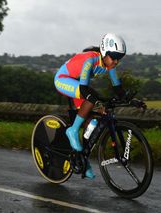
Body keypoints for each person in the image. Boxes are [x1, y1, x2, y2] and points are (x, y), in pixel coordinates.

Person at [54, 33, 129, 179]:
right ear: (104, 52)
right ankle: (72, 131)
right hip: (64, 80)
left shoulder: (109, 65)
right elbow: (84, 89)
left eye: (118, 58)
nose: (115, 62)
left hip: (78, 84)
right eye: (113, 57)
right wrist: (97, 102)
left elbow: (117, 88)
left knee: (92, 123)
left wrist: (131, 100)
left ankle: (83, 159)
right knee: (93, 97)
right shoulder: (91, 59)